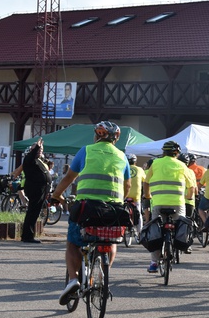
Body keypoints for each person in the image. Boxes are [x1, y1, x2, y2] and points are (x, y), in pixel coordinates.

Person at [51, 121, 131, 304]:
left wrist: (56, 195)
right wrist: (119, 200)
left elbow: (69, 178)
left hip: (87, 208)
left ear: (96, 136)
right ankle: (102, 275)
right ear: (116, 139)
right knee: (110, 240)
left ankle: (73, 280)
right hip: (113, 210)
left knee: (73, 243)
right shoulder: (122, 156)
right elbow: (127, 186)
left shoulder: (86, 151)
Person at [143, 141, 192, 273]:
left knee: (155, 231)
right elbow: (192, 187)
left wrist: (147, 196)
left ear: (163, 151)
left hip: (158, 203)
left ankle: (154, 262)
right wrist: (189, 197)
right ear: (177, 153)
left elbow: (146, 182)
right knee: (179, 224)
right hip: (177, 203)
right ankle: (178, 246)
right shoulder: (182, 165)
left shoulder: (156, 163)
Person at [15, 139, 53, 243]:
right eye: (38, 149)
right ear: (32, 150)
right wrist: (36, 146)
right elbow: (31, 156)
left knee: (35, 213)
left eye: (41, 149)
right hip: (34, 189)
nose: (40, 151)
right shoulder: (29, 159)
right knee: (32, 212)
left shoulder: (39, 160)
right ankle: (27, 236)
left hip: (41, 189)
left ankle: (29, 235)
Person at [125, 153, 146, 236]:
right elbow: (145, 181)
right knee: (138, 213)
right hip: (136, 195)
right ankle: (140, 232)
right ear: (135, 162)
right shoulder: (140, 170)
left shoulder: (123, 168)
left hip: (125, 194)